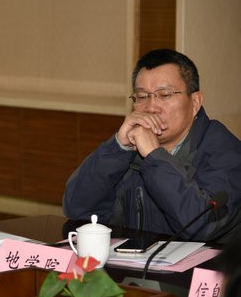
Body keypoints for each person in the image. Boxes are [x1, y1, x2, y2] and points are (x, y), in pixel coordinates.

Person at [63, 49, 241, 243]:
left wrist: (154, 156)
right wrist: (119, 148)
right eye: (142, 96)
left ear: (195, 102)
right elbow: (78, 209)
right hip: (138, 259)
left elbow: (202, 225)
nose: (151, 107)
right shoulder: (130, 147)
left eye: (164, 95)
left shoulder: (226, 151)